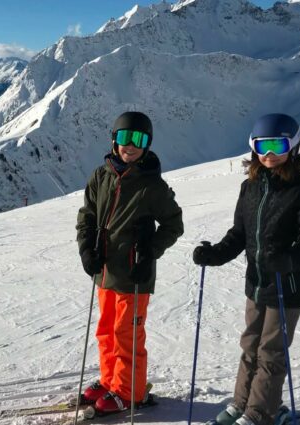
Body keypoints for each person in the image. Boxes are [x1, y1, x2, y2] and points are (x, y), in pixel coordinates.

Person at [192, 113, 300, 425]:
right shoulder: (249, 187)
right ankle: (242, 404)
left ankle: (260, 413)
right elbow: (239, 234)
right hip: (257, 282)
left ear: (292, 147)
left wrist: (289, 261)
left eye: (277, 146)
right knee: (250, 345)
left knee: (271, 350)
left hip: (288, 287)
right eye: (262, 145)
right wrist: (215, 254)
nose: (269, 154)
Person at [76, 111, 184, 413]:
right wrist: (87, 248)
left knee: (127, 335)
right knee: (106, 330)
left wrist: (150, 250)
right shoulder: (101, 176)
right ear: (114, 140)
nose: (131, 145)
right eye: (125, 137)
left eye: (139, 139)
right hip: (105, 271)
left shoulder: (153, 187)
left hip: (134, 274)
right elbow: (87, 216)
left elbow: (174, 225)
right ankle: (111, 381)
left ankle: (129, 392)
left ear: (147, 144)